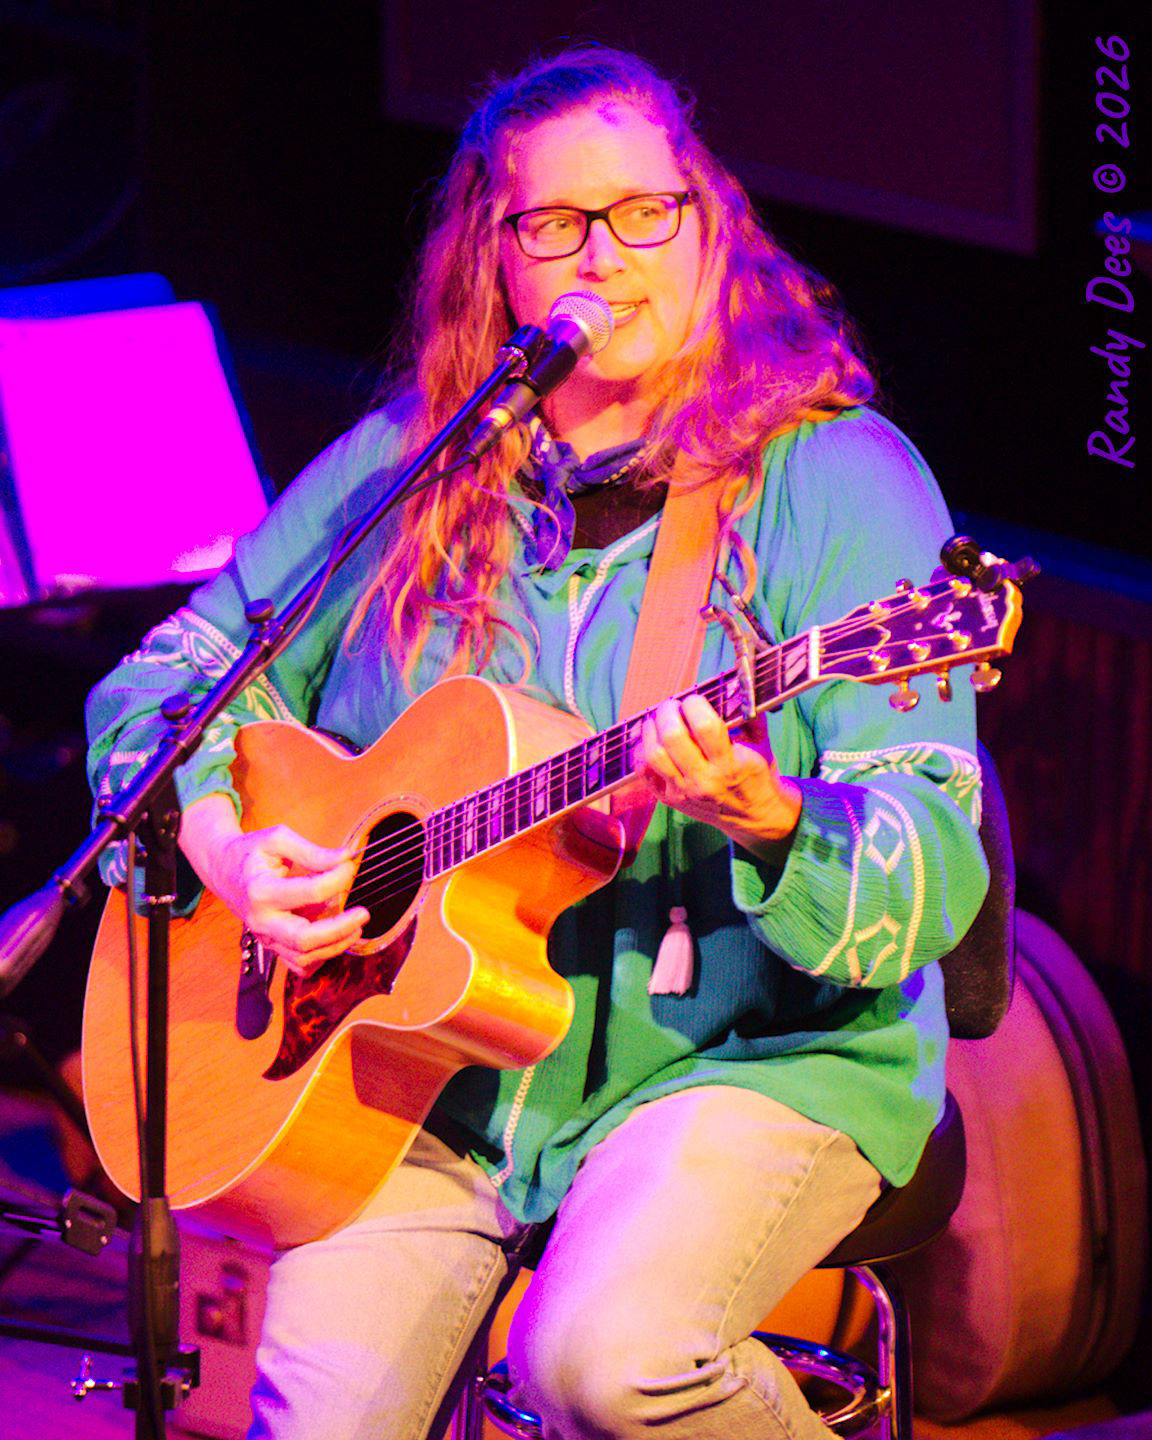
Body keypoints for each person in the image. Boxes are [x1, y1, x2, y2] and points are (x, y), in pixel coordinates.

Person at [86, 45, 989, 1440]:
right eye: (554, 223)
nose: (604, 257)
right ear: (494, 256)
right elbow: (164, 689)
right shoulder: (415, 468)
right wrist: (229, 844)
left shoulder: (842, 484)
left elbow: (930, 864)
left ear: (707, 225)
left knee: (602, 1361)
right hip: (421, 1073)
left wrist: (772, 817)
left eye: (645, 213)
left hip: (744, 1059)